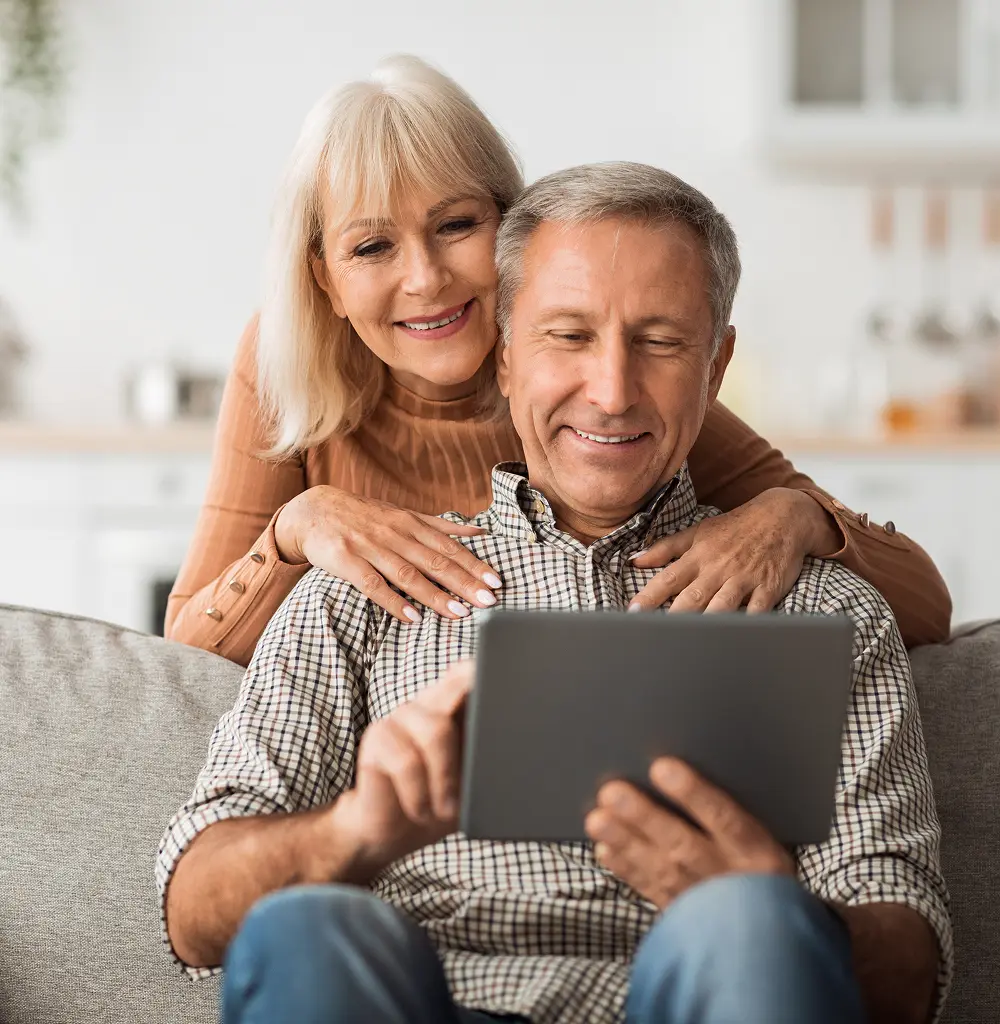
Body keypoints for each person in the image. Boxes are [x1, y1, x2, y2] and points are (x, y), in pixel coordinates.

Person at [158, 163, 951, 1024]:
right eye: (568, 336)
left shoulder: (825, 613)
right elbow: (196, 910)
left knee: (750, 922)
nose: (611, 392)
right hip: (425, 996)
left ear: (715, 365)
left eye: (659, 342)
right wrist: (355, 831)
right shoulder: (356, 598)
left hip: (703, 987)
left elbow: (910, 971)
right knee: (306, 929)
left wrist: (779, 906)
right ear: (504, 356)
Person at [163, 56, 950, 668]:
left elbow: (925, 607)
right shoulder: (281, 366)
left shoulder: (596, 394)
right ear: (324, 279)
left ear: (512, 233)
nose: (425, 279)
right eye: (372, 247)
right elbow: (187, 661)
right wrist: (297, 527)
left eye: (456, 225)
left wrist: (797, 516)